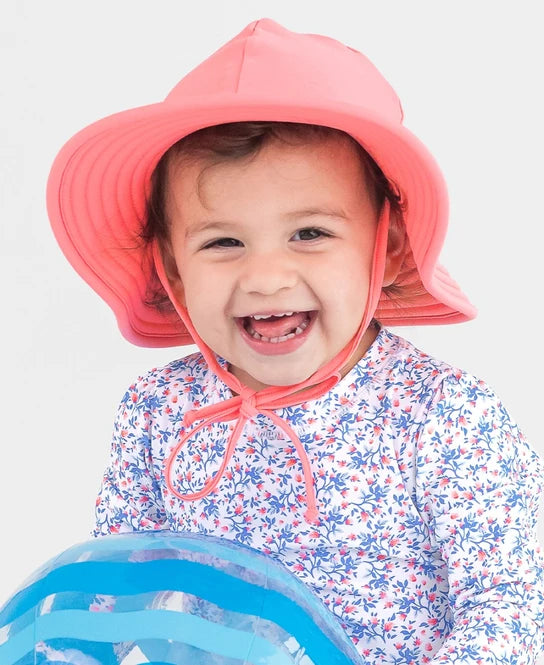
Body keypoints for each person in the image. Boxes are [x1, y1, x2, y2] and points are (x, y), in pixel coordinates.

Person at [46, 18, 544, 665]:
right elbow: (113, 596)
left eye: (309, 232)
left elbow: (514, 607)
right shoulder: (156, 411)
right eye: (223, 242)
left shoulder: (445, 416)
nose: (266, 276)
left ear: (386, 248)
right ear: (172, 270)